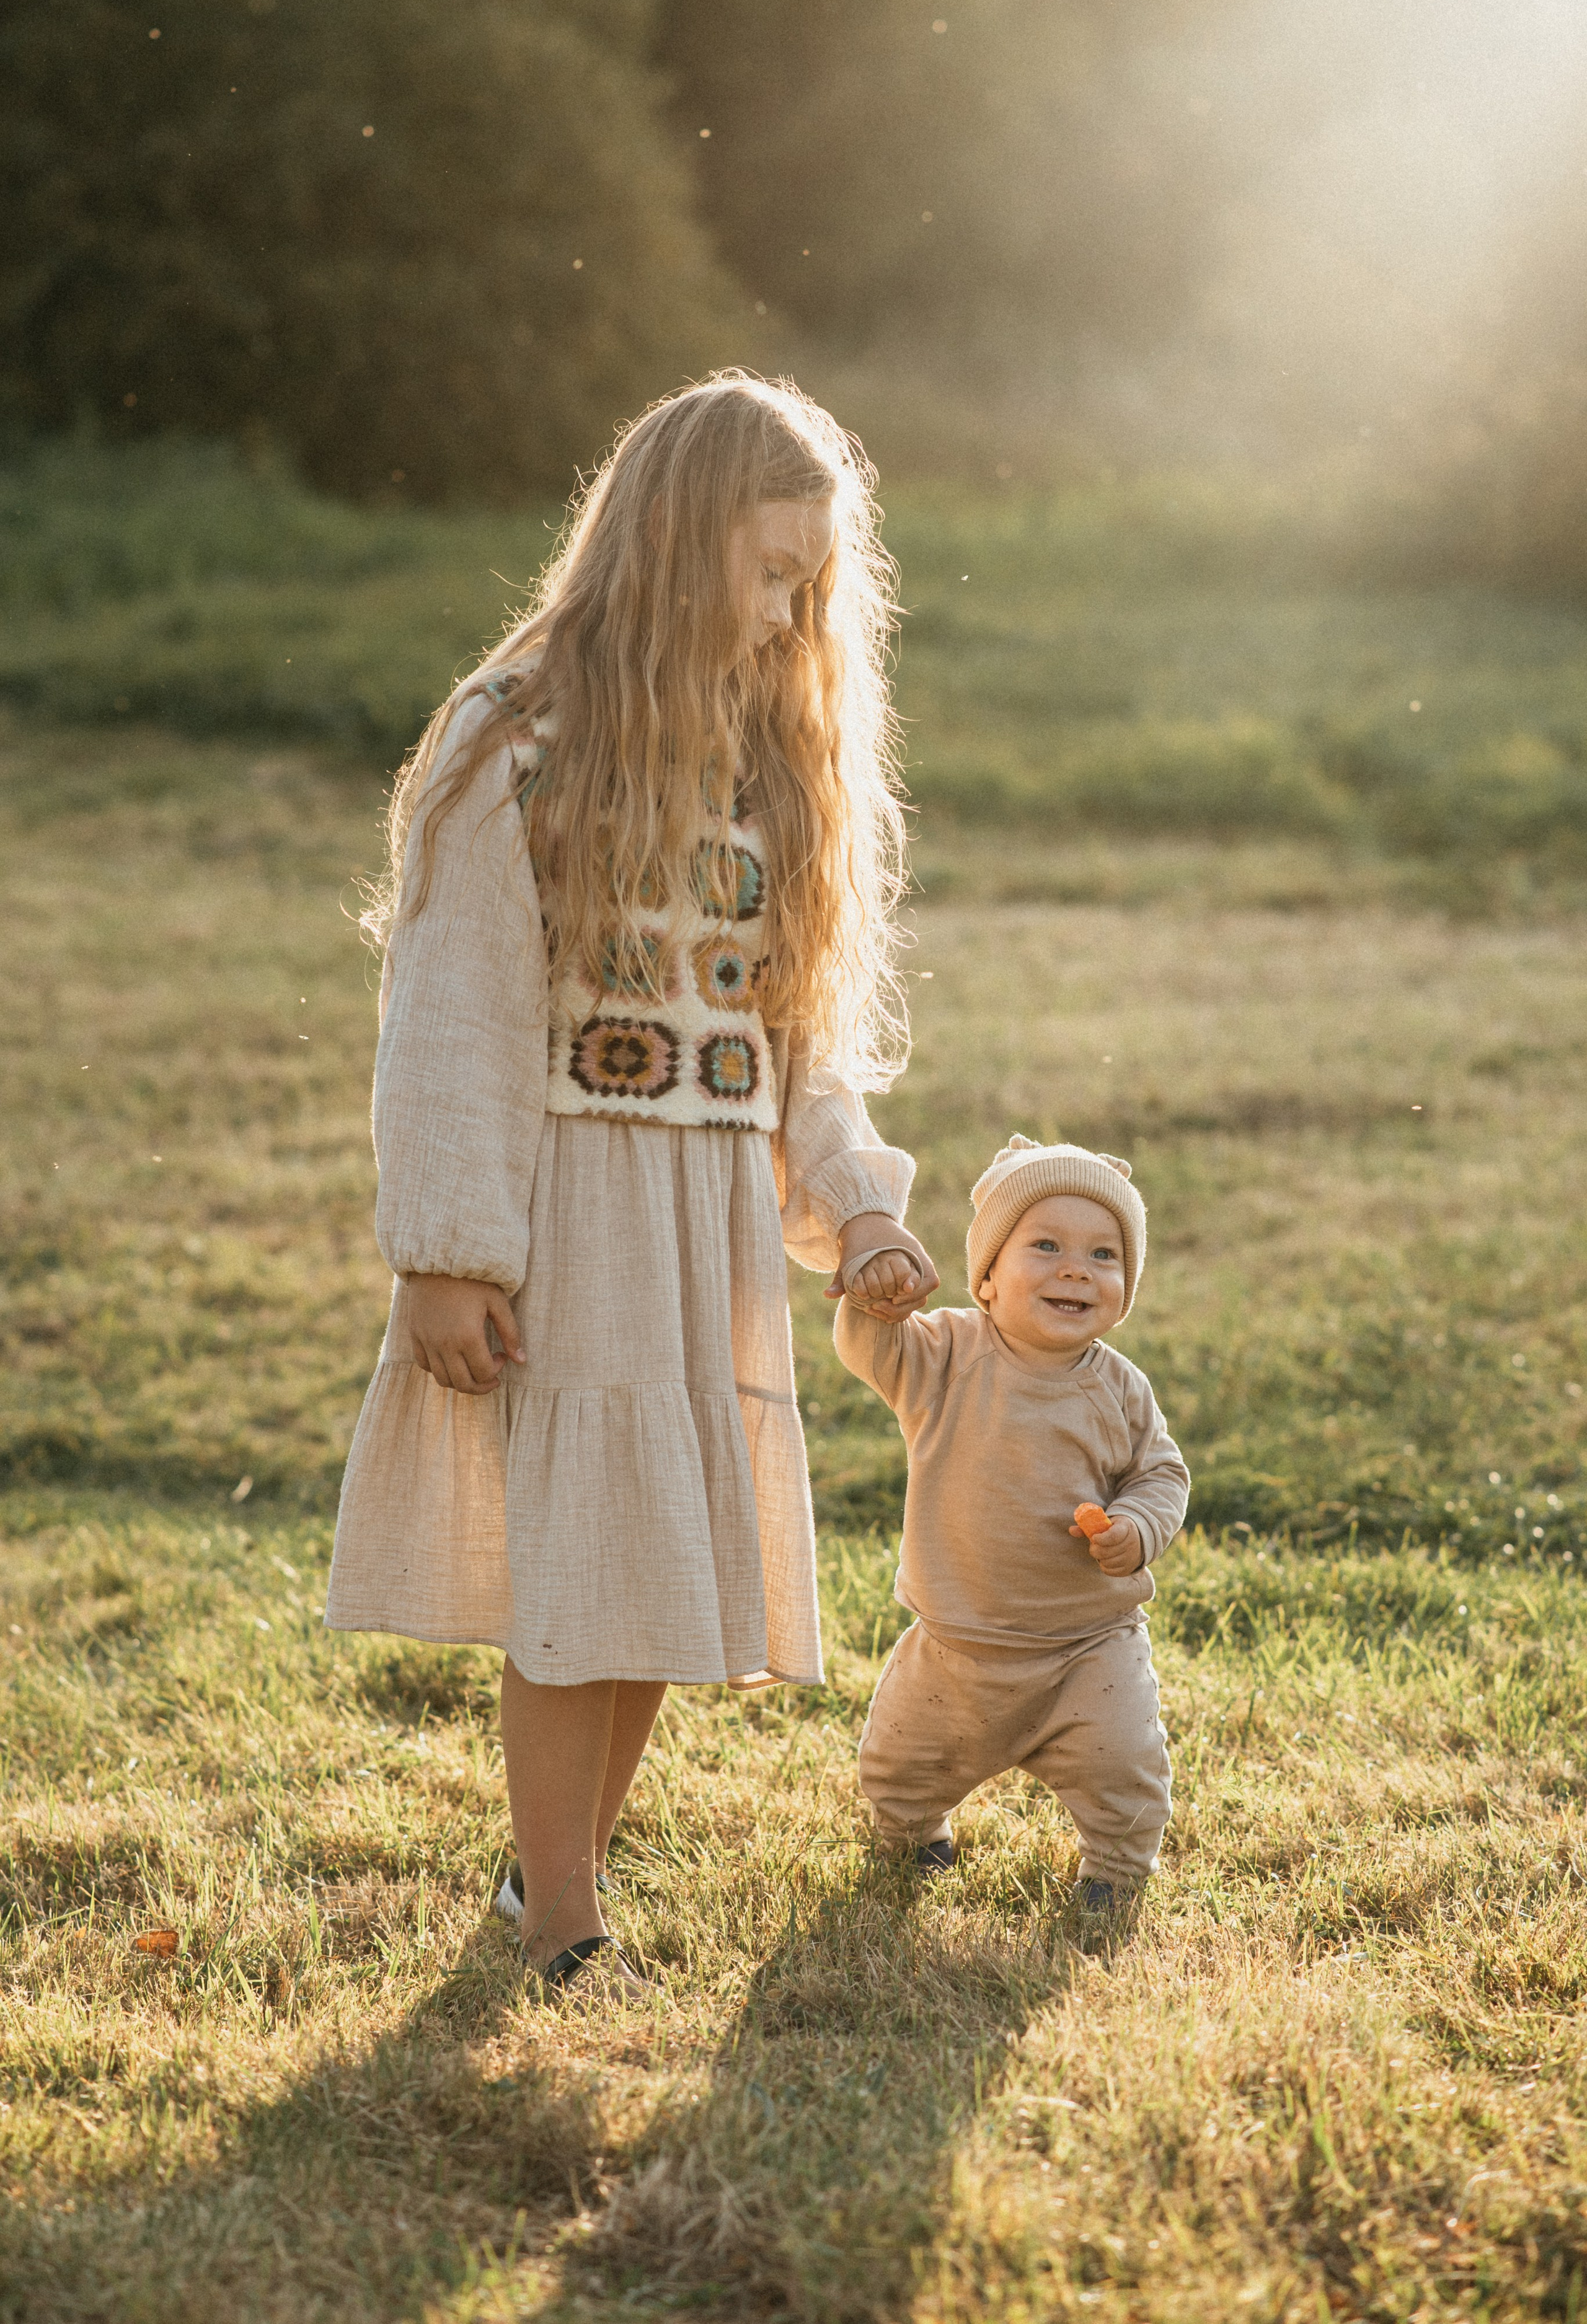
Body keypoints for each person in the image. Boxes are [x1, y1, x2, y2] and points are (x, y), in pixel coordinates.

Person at [325, 375, 939, 1994]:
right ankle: (569, 1918)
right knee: (582, 1569)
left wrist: (859, 1201)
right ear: (668, 546)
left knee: (664, 1566)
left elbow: (794, 1033)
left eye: (812, 580)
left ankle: (554, 1872)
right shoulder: (516, 731)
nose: (788, 607)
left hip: (716, 1220)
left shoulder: (770, 756)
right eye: (764, 569)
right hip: (576, 1205)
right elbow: (452, 1007)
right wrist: (450, 1248)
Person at [834, 1136, 1189, 1907]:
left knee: (1123, 1765)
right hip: (957, 1641)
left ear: (1125, 1288)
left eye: (1104, 1254)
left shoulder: (1121, 1388)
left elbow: (1162, 1474)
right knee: (900, 1765)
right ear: (988, 1277)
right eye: (1046, 1246)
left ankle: (1114, 1875)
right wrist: (877, 1304)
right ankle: (912, 1843)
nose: (1075, 1268)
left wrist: (1134, 1527)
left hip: (1086, 1646)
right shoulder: (946, 1355)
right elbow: (873, 1351)